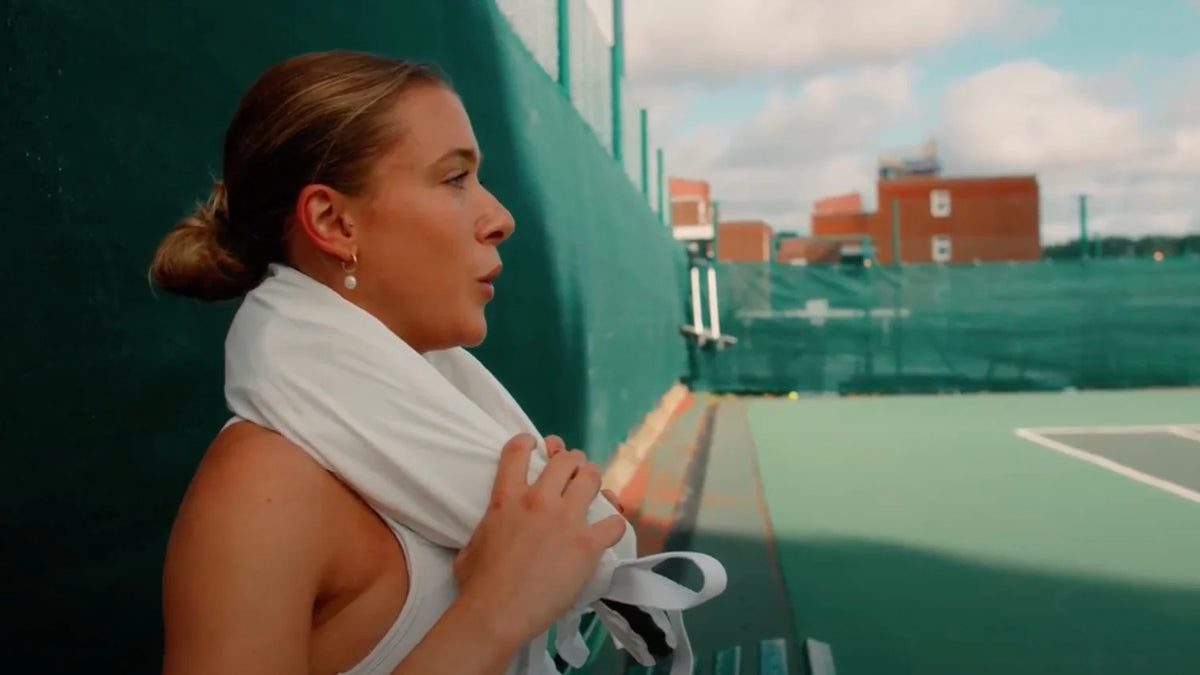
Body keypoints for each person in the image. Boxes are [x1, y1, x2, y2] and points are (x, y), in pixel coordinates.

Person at [154, 50, 629, 675]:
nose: (500, 219)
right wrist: (493, 610)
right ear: (333, 222)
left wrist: (547, 535)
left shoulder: (456, 440)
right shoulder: (261, 489)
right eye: (455, 179)